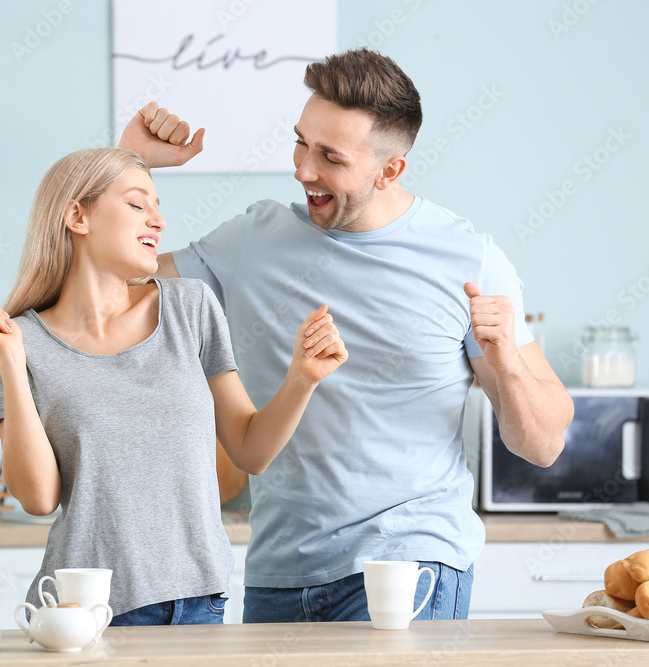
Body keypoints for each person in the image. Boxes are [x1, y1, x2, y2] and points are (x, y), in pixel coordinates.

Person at [118, 47, 575, 623]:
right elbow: (115, 285)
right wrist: (129, 164)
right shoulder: (253, 240)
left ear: (390, 170)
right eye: (301, 142)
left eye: (330, 156)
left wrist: (507, 362)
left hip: (410, 559)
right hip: (281, 568)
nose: (304, 169)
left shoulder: (466, 260)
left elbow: (543, 444)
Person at [0, 147, 348, 626]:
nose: (159, 221)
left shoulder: (191, 308)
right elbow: (39, 498)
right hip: (86, 610)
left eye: (158, 205)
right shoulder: (13, 345)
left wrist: (302, 379)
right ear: (77, 215)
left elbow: (250, 453)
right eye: (137, 204)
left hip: (199, 601)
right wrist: (11, 360)